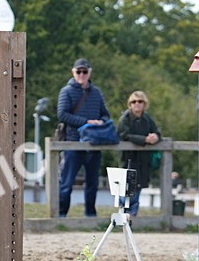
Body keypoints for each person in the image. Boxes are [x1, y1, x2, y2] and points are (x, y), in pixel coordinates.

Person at [56, 57, 111, 217]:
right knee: (66, 183)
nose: (81, 74)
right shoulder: (66, 91)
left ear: (89, 73)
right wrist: (86, 122)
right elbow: (62, 115)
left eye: (84, 71)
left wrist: (100, 123)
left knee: (92, 183)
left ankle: (90, 214)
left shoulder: (96, 93)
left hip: (93, 142)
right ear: (73, 73)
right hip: (73, 142)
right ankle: (61, 214)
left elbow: (105, 114)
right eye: (78, 71)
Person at [117, 90, 161, 216]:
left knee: (138, 189)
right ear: (130, 104)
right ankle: (122, 217)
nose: (137, 104)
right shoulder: (124, 118)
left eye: (140, 101)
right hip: (128, 160)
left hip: (143, 161)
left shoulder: (147, 119)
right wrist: (144, 140)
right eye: (134, 102)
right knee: (125, 191)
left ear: (144, 104)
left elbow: (157, 131)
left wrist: (155, 137)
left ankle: (133, 217)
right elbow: (124, 135)